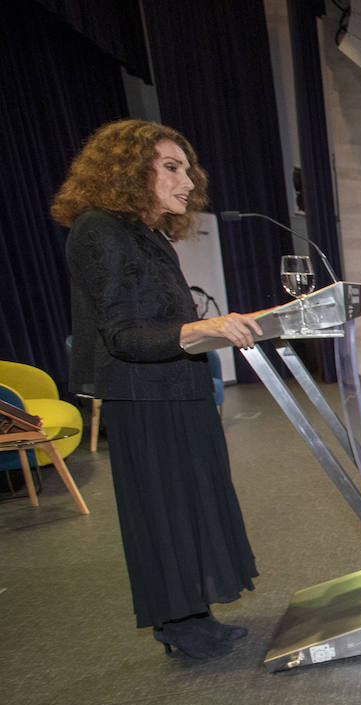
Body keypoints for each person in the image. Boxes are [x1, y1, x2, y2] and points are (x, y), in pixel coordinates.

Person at [54, 119, 264, 659]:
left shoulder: (147, 235)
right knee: (163, 512)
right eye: (172, 167)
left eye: (187, 168)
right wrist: (206, 328)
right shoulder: (98, 229)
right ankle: (178, 622)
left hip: (179, 385)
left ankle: (193, 612)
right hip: (145, 397)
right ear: (126, 171)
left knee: (191, 503)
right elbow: (123, 335)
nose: (188, 180)